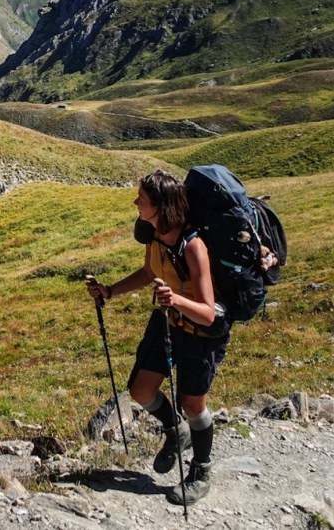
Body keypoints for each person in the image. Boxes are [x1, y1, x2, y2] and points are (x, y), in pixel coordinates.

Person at [85, 169, 228, 506]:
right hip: (167, 321)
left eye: (142, 199)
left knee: (193, 403)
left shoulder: (193, 247)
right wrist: (109, 291)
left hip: (199, 332)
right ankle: (175, 430)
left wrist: (175, 300)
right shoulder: (155, 236)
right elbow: (150, 272)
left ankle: (201, 472)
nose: (136, 202)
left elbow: (209, 311)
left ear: (161, 207)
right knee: (140, 390)